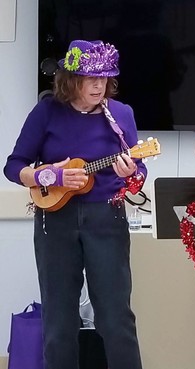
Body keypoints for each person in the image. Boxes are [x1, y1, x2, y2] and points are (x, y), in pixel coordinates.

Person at [3, 40, 145, 369]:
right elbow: (14, 166)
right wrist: (49, 176)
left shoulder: (121, 114)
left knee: (115, 318)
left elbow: (139, 171)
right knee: (58, 321)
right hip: (55, 220)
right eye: (89, 78)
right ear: (70, 80)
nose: (99, 86)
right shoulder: (47, 111)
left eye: (104, 79)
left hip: (106, 218)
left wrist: (131, 172)